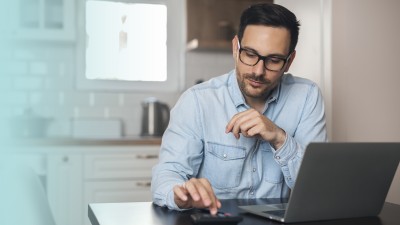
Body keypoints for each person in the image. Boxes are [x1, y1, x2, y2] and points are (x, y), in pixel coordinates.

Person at [151, 3, 327, 215]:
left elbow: (317, 188)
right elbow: (167, 175)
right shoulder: (196, 101)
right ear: (236, 48)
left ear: (289, 61)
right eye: (250, 54)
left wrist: (279, 137)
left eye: (274, 60)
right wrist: (181, 195)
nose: (258, 71)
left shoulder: (307, 96)